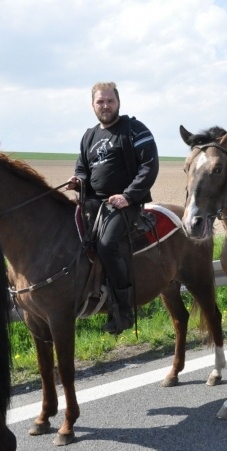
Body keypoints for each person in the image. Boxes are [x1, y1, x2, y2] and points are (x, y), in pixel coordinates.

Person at [66, 82, 159, 334]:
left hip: (124, 204)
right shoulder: (89, 135)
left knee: (107, 244)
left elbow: (149, 166)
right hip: (92, 203)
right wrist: (79, 181)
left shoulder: (133, 129)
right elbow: (82, 168)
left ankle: (124, 310)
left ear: (118, 102)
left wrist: (128, 196)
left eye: (110, 101)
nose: (105, 106)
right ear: (92, 105)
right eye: (100, 102)